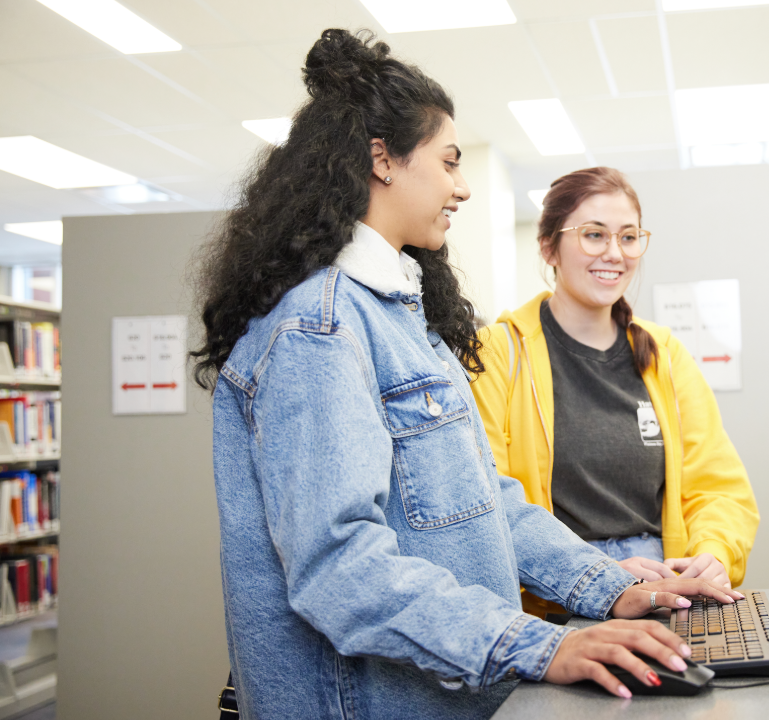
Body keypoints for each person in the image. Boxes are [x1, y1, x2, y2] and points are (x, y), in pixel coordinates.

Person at [191, 30, 738, 720]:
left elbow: (488, 503)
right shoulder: (318, 332)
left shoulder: (403, 319)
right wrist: (535, 645)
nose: (463, 186)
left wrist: (606, 587)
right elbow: (341, 570)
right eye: (449, 163)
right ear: (382, 160)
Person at [471, 168, 759, 620]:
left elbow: (718, 487)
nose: (614, 253)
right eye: (593, 235)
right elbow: (488, 500)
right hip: (561, 597)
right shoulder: (500, 354)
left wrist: (713, 553)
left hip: (667, 586)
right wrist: (597, 576)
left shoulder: (664, 355)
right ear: (549, 247)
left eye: (628, 237)